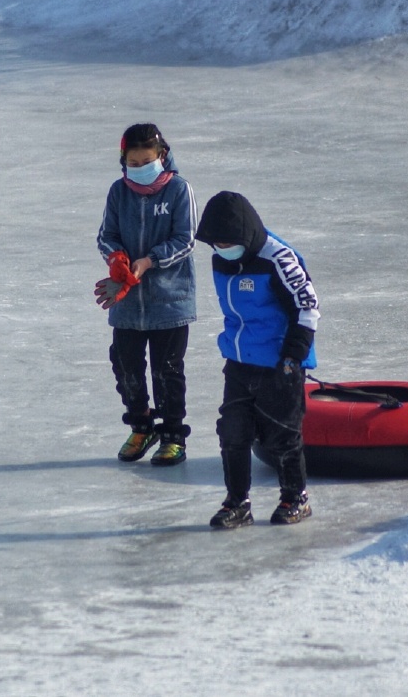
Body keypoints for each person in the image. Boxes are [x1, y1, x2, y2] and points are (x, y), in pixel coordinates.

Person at [193, 191, 319, 527]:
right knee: (232, 432)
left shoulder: (278, 258)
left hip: (280, 363)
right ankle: (237, 503)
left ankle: (296, 498)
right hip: (239, 361)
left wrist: (293, 357)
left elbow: (307, 309)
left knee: (282, 435)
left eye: (228, 242)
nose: (221, 248)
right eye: (215, 243)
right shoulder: (221, 255)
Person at [95, 123, 197, 466]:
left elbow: (186, 239)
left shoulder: (179, 190)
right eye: (132, 162)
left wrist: (149, 260)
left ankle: (171, 435)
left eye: (146, 160)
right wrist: (117, 259)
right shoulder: (117, 192)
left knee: (167, 370)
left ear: (161, 156)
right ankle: (141, 425)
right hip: (127, 301)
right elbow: (106, 234)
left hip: (170, 300)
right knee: (125, 366)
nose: (139, 168)